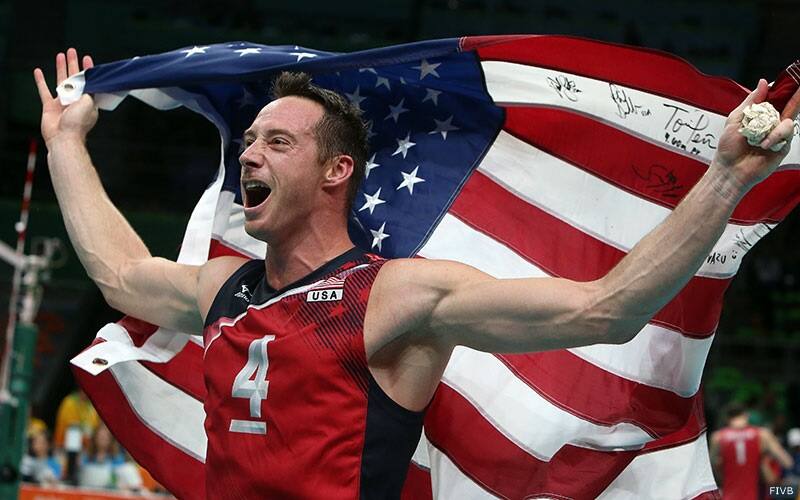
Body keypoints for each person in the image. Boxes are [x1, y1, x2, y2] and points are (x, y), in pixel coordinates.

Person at [33, 48, 800, 498]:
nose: (250, 154)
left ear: (337, 172)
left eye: (277, 142)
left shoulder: (394, 295)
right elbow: (121, 274)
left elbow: (606, 310)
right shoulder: (226, 289)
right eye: (251, 140)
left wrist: (727, 179)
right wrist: (67, 143)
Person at [710, 403, 794, 499]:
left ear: (727, 418)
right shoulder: (762, 435)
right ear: (746, 415)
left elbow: (712, 468)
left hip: (728, 496)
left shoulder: (717, 437)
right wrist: (762, 459)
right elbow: (787, 462)